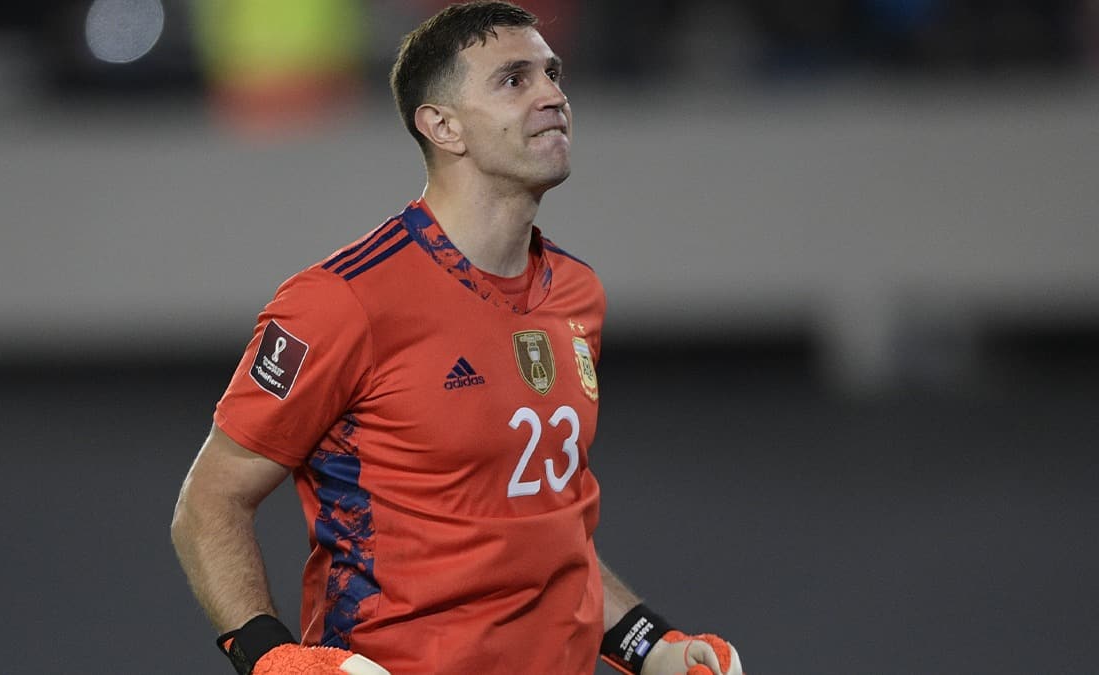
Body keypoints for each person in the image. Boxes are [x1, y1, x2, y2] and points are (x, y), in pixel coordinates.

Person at [170, 3, 745, 674]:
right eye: (514, 80)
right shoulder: (342, 301)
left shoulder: (577, 294)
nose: (553, 95)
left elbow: (545, 530)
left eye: (553, 74)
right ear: (441, 125)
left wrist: (650, 643)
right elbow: (209, 503)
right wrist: (271, 657)